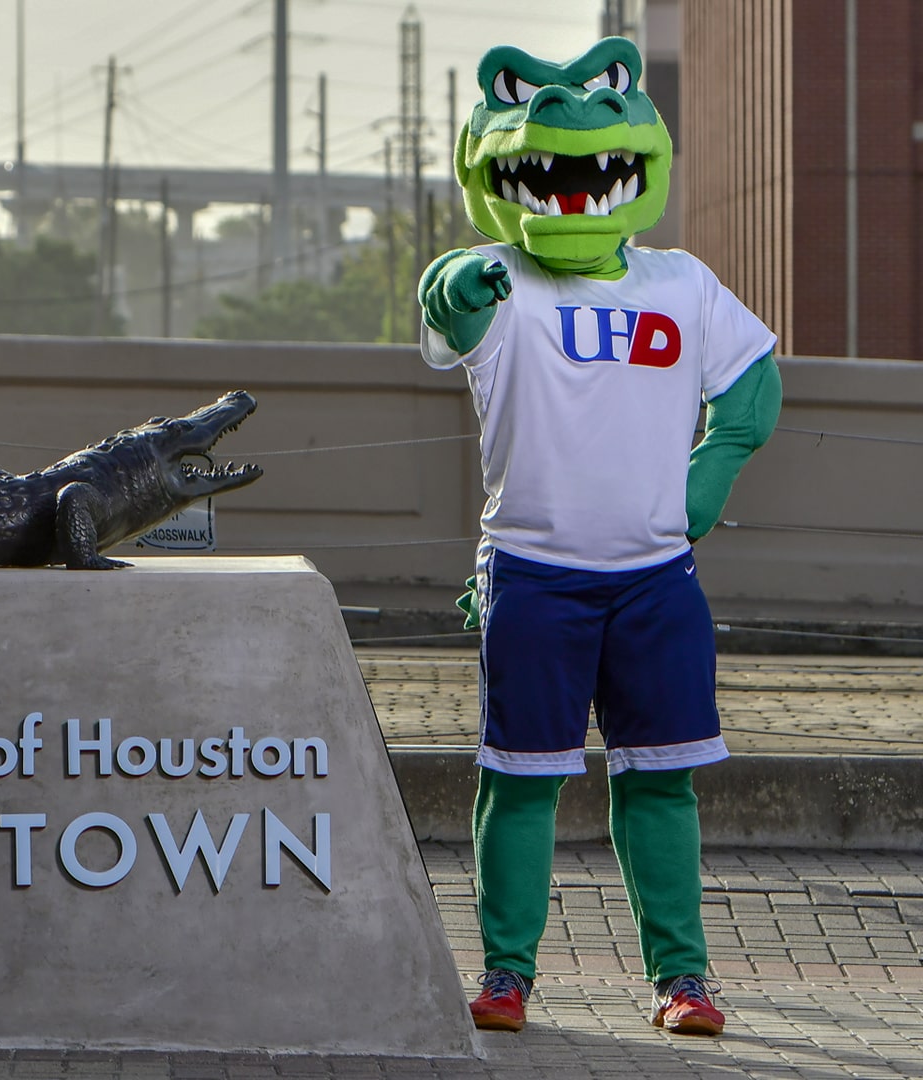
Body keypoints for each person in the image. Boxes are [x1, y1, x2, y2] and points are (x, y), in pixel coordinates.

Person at [417, 36, 782, 1038]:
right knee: (518, 780)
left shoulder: (682, 282)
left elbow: (753, 389)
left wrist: (703, 484)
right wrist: (453, 290)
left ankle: (684, 977)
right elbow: (443, 298)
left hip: (656, 579)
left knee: (661, 784)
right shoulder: (496, 276)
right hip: (532, 575)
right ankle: (505, 975)